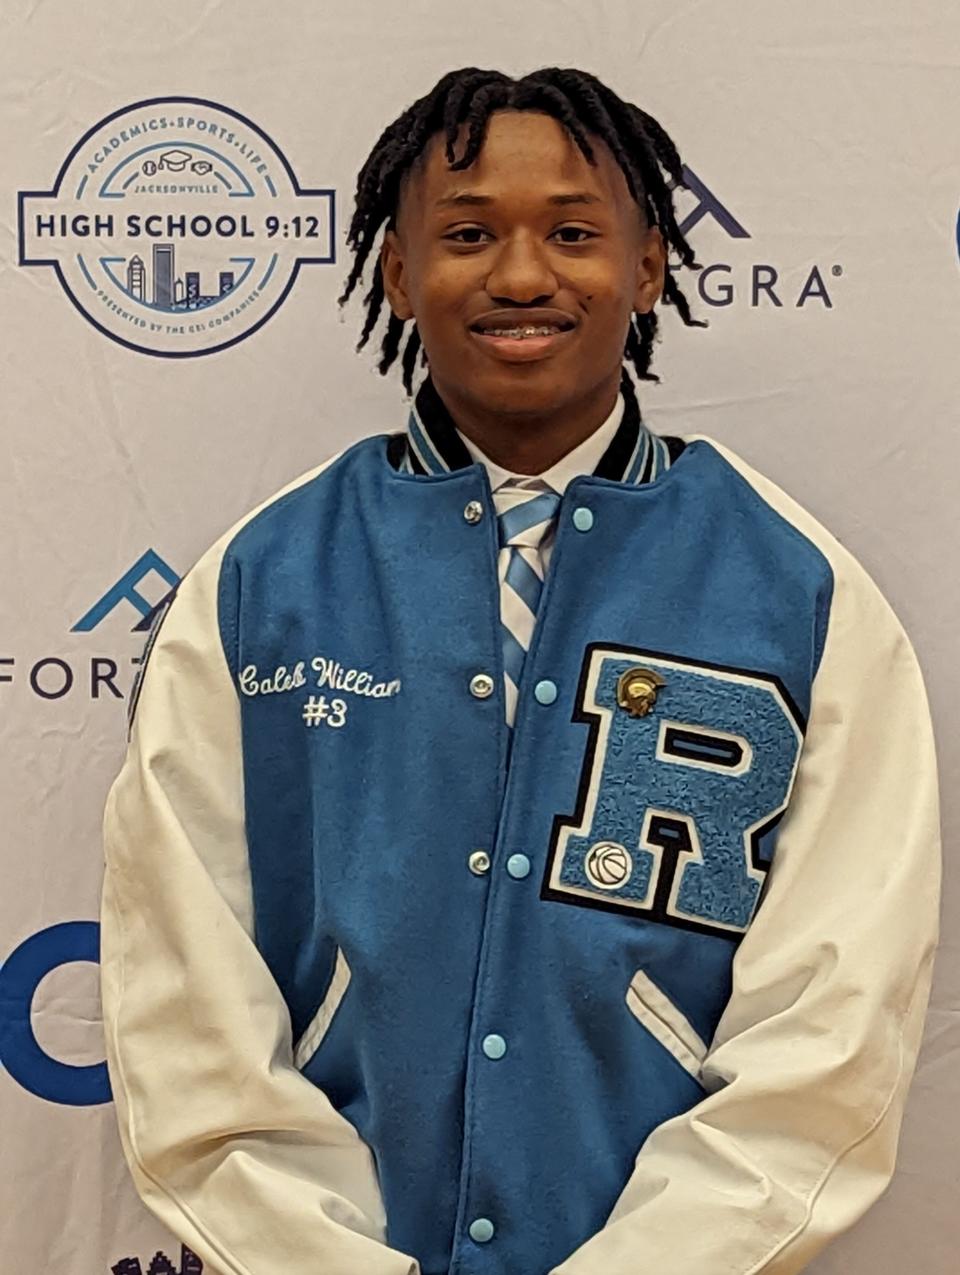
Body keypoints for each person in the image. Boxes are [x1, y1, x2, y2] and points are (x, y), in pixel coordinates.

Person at [99, 65, 941, 1275]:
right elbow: (187, 1008)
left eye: (575, 232)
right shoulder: (263, 582)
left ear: (649, 265)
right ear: (397, 273)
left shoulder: (798, 592)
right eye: (469, 232)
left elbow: (834, 1025)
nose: (523, 274)